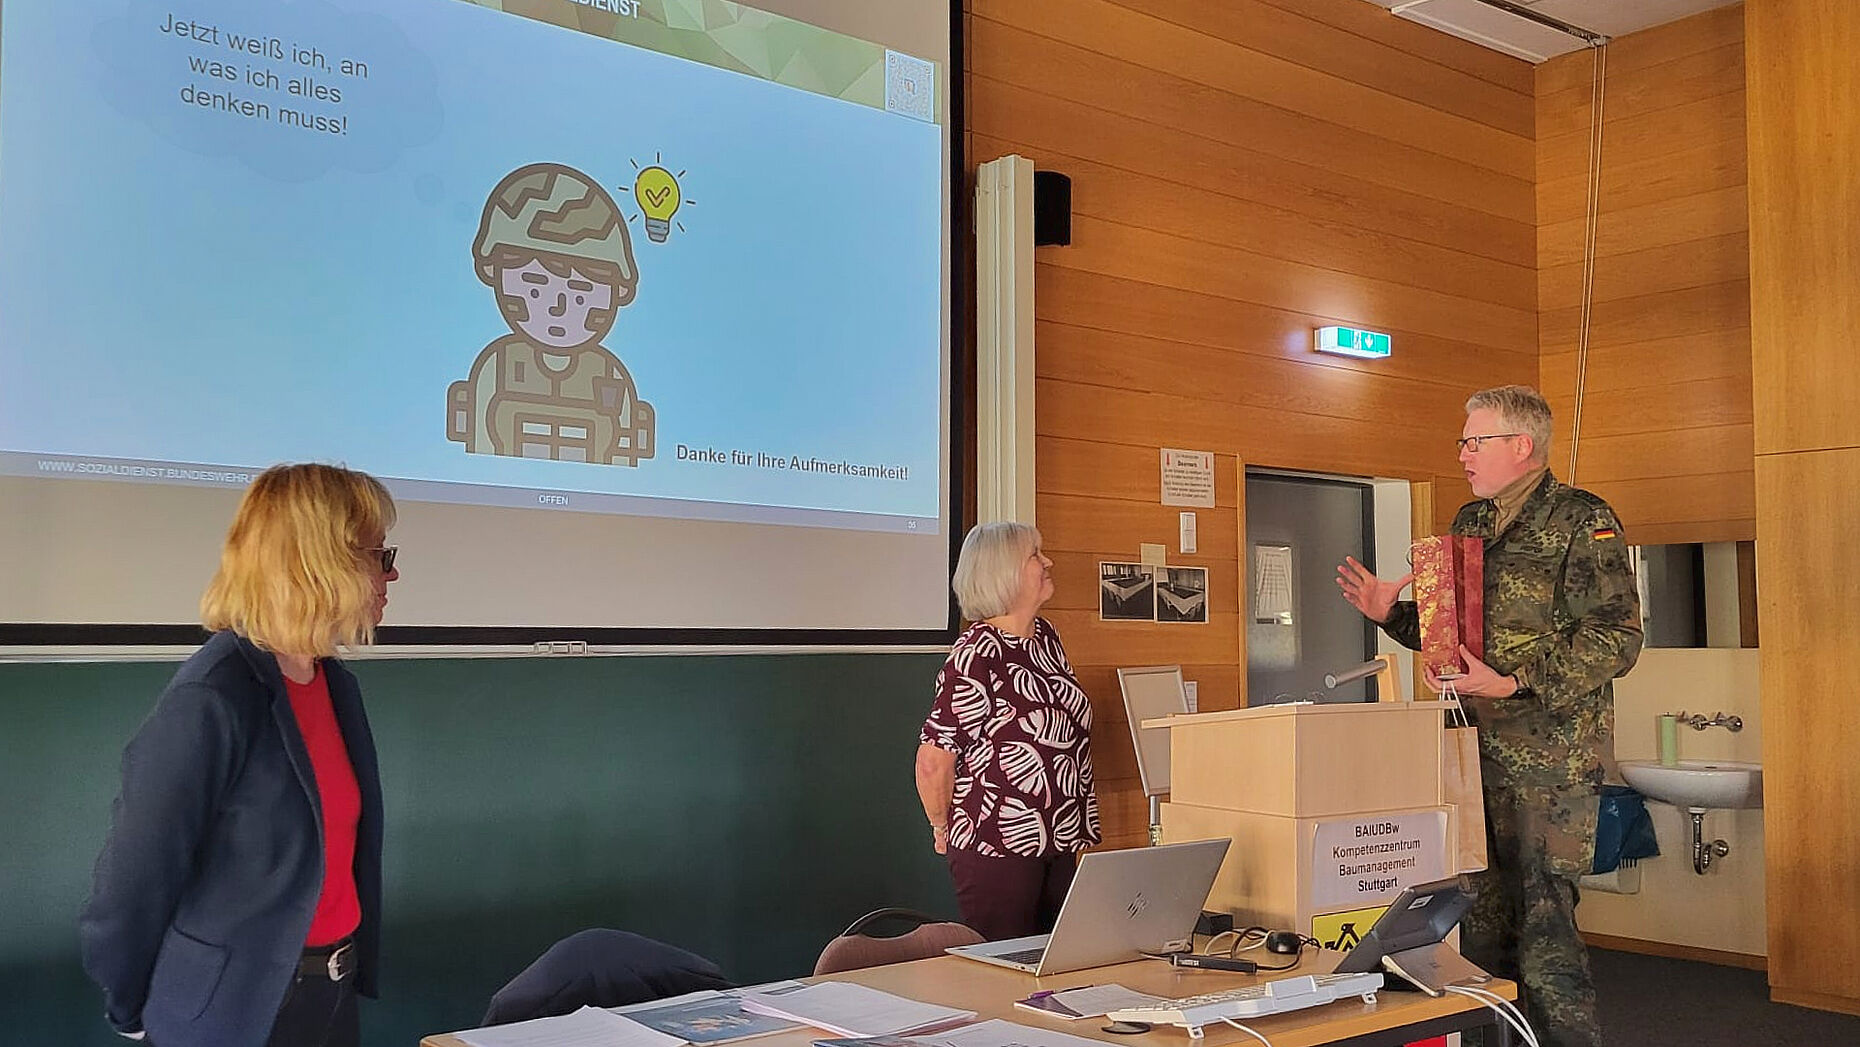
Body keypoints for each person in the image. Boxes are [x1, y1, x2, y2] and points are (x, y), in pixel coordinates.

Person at [1336, 385, 1642, 1047]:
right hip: (1474, 755)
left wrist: (1513, 682)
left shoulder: (1581, 518)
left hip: (1552, 765)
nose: (1465, 454)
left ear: (1521, 445)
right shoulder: (1471, 523)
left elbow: (1616, 636)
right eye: (1464, 442)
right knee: (1479, 930)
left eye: (1475, 441)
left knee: (1546, 932)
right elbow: (1456, 639)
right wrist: (1392, 614)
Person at [80, 464, 400, 1047]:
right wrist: (129, 1007)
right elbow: (135, 873)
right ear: (320, 561)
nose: (392, 573)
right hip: (232, 1013)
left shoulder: (333, 685)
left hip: (329, 995)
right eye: (379, 554)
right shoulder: (215, 694)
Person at [914, 522, 1101, 942]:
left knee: (1057, 963)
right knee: (1006, 969)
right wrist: (941, 826)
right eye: (1035, 554)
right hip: (996, 840)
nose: (1047, 561)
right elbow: (933, 760)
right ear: (1005, 572)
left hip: (1057, 836)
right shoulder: (976, 653)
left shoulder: (1047, 639)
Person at [447, 161, 655, 466]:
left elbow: (624, 451)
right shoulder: (498, 366)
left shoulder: (610, 375)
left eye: (581, 292)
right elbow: (479, 439)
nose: (558, 306)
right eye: (535, 286)